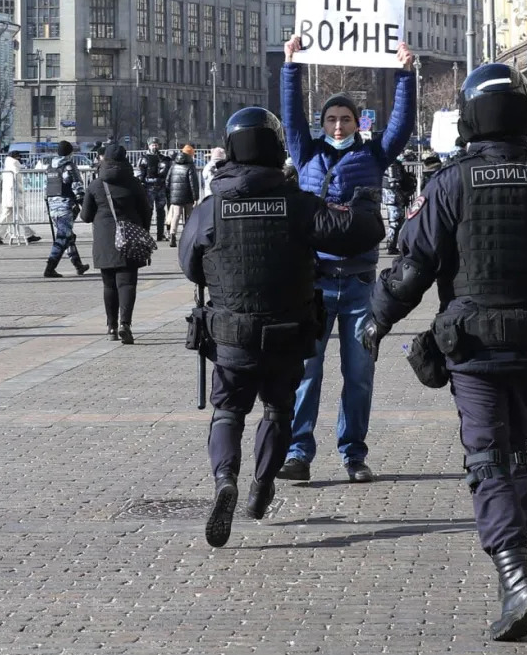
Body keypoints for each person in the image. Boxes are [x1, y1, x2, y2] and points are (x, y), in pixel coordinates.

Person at [359, 63, 527, 641]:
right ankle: (517, 528)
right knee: (517, 448)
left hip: (474, 346)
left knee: (486, 458)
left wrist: (376, 319)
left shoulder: (451, 182)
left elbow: (414, 267)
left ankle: (515, 576)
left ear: (470, 117)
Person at [178, 107, 385, 548]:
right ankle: (260, 485)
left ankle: (224, 480)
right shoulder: (299, 204)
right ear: (275, 148)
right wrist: (367, 204)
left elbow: (190, 266)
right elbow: (359, 233)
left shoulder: (210, 209)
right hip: (288, 332)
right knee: (277, 411)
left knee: (228, 411)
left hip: (231, 333)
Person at [276, 35, 416, 484]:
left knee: (359, 375)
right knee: (307, 373)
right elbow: (292, 117)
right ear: (323, 124)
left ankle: (353, 453)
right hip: (313, 282)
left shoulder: (372, 154)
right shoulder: (307, 151)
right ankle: (298, 452)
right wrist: (291, 65)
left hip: (360, 283)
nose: (338, 126)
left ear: (358, 122)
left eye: (346, 119)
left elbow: (403, 124)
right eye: (332, 119)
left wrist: (404, 74)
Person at [79, 145, 152, 343]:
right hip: (130, 239)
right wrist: (143, 231)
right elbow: (146, 210)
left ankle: (111, 327)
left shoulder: (96, 185)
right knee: (127, 283)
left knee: (109, 285)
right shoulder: (134, 183)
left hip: (104, 240)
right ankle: (125, 324)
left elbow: (85, 216)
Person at [43, 140, 90, 278]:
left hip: (52, 207)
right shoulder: (69, 166)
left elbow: (46, 188)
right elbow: (77, 187)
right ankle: (50, 268)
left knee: (68, 236)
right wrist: (84, 205)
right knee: (63, 237)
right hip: (65, 206)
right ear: (70, 152)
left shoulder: (50, 167)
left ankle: (78, 265)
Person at [0, 151, 41, 245]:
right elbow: (15, 180)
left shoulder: (8, 165)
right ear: (16, 157)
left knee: (6, 216)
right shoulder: (14, 165)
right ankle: (29, 235)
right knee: (22, 215)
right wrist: (21, 190)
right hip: (14, 195)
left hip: (8, 195)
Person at [135, 137, 172, 241]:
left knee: (161, 212)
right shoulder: (144, 158)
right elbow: (140, 173)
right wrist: (141, 184)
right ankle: (146, 234)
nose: (154, 146)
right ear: (149, 145)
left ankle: (160, 234)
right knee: (148, 211)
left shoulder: (163, 158)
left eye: (156, 144)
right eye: (152, 144)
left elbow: (168, 172)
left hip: (161, 188)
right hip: (149, 188)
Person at [381, 153, 416, 254]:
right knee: (395, 222)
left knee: (397, 222)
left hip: (391, 195)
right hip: (393, 196)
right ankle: (391, 246)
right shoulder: (392, 164)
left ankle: (392, 245)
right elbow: (394, 182)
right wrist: (403, 196)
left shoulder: (389, 162)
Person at [165, 146, 200, 247]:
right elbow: (193, 184)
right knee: (188, 216)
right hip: (188, 196)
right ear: (190, 155)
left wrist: (170, 194)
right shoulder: (190, 166)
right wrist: (195, 197)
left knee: (176, 215)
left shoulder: (173, 165)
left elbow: (167, 181)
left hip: (175, 196)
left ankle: (172, 235)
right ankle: (187, 237)